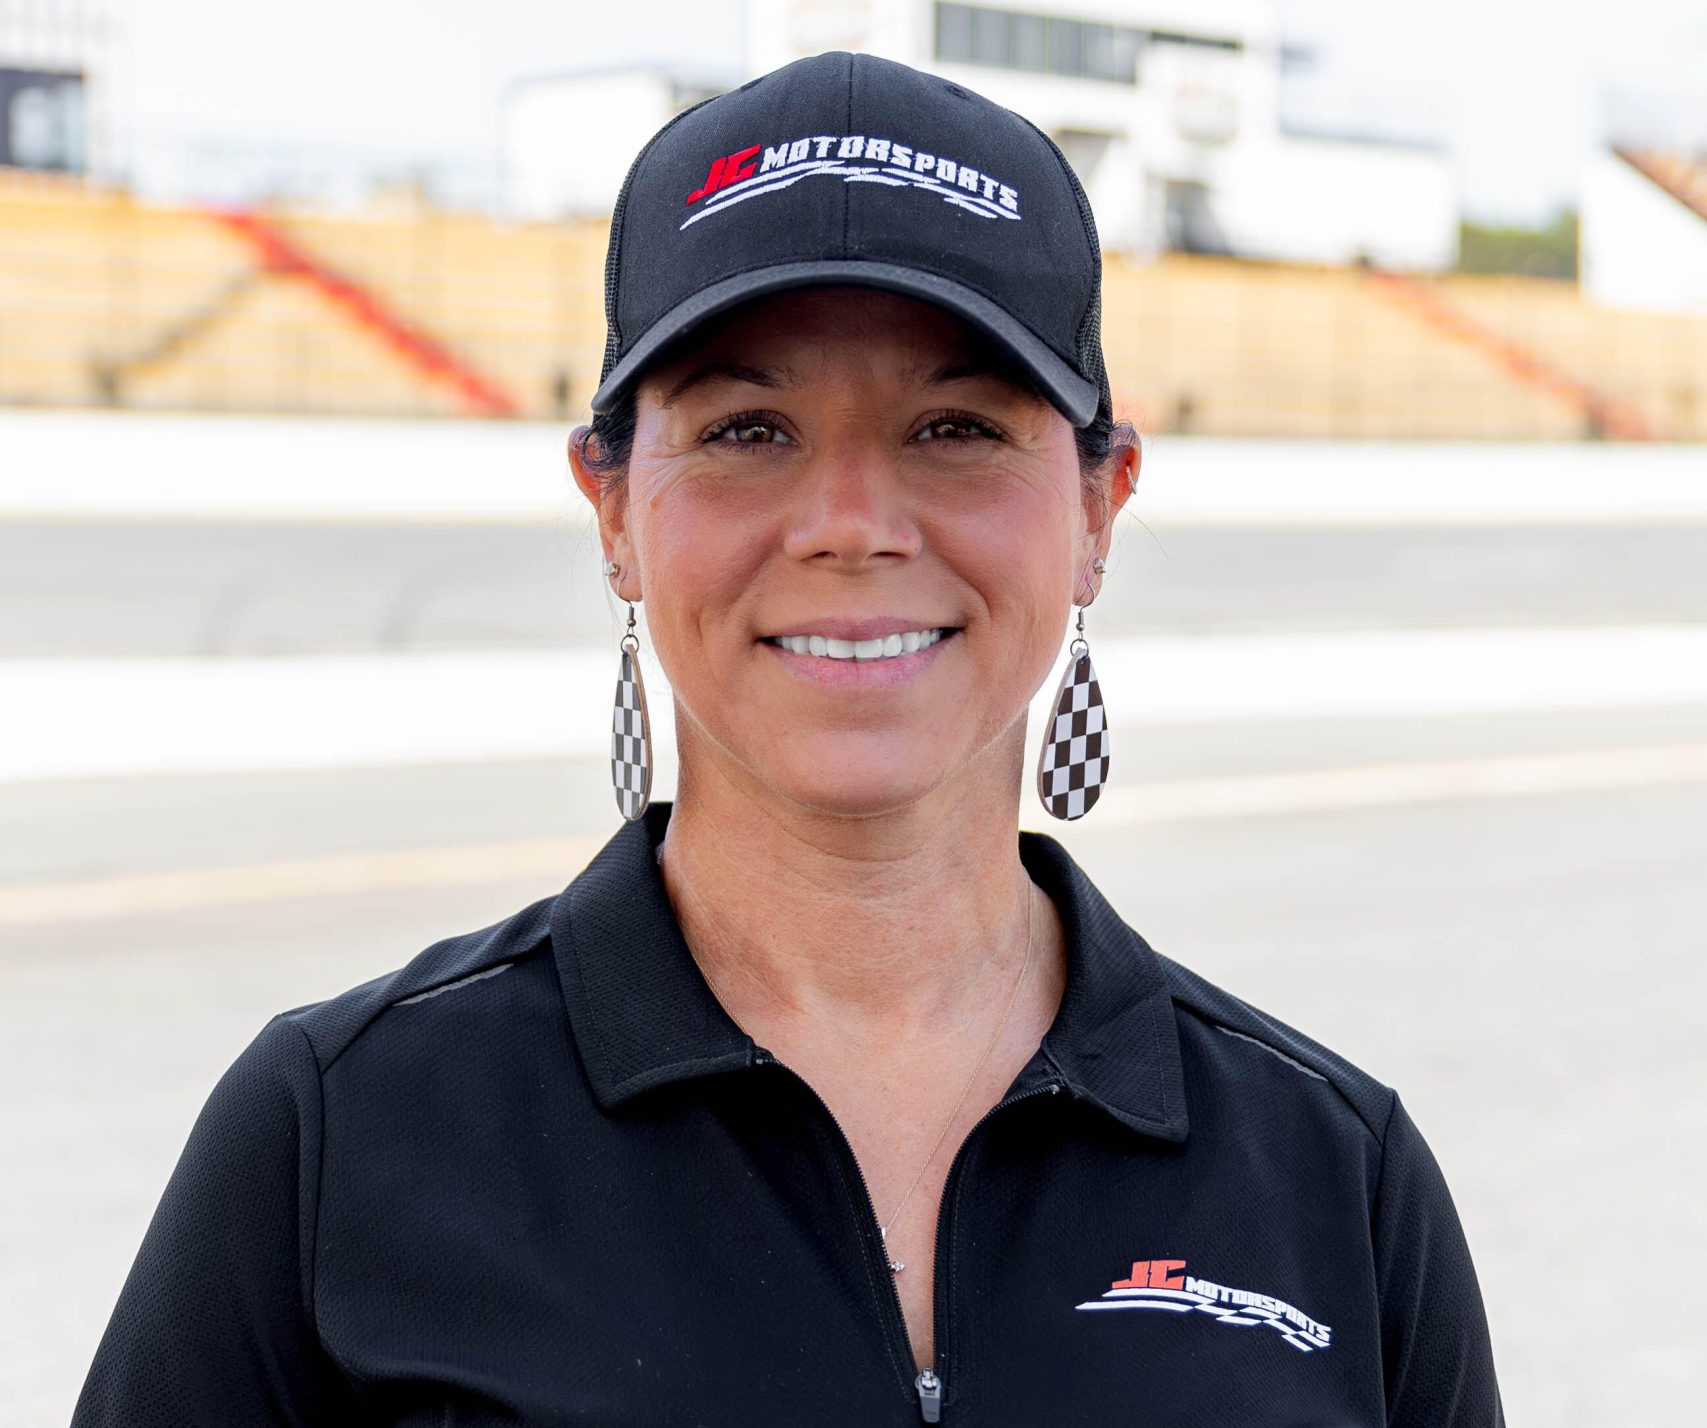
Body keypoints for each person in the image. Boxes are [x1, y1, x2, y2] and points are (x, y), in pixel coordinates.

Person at [73, 52, 1503, 1426]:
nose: (850, 525)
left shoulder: (1332, 1173)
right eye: (749, 429)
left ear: (1097, 508)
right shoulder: (339, 1133)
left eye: (956, 425)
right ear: (614, 510)